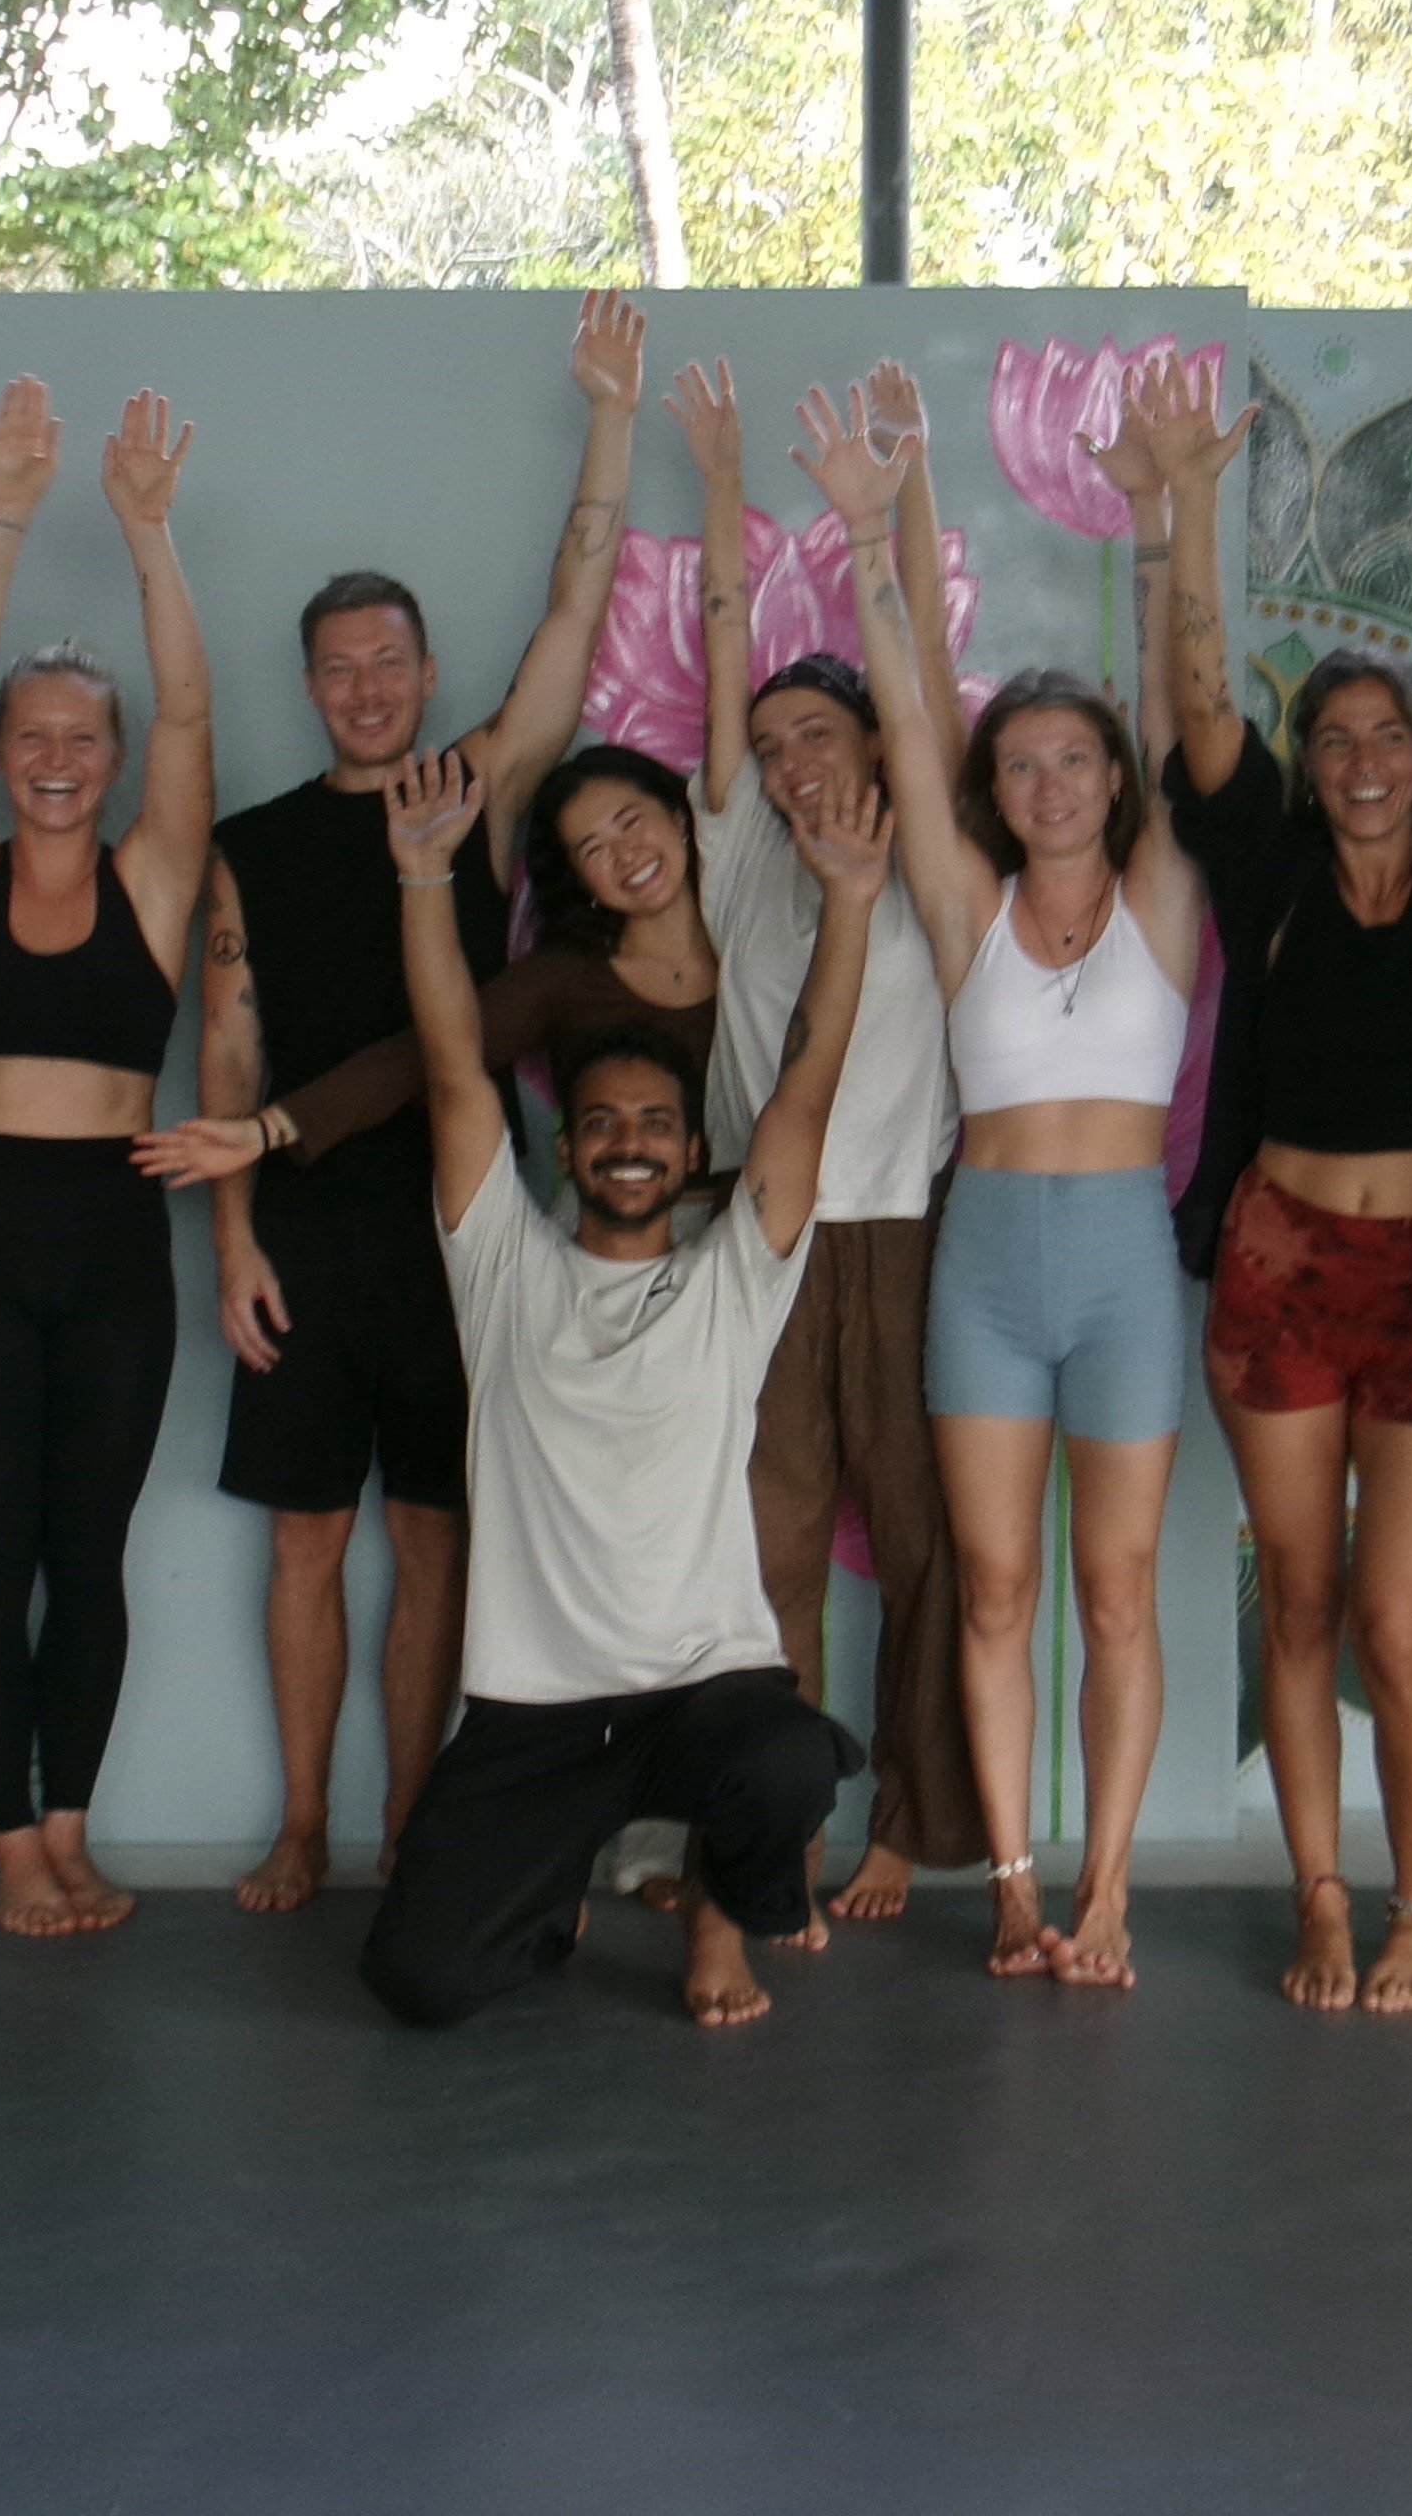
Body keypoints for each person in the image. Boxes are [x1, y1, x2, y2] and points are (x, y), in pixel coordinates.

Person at [190, 289, 647, 1912]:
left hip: (464, 1227)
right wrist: (233, 1237)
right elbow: (227, 1052)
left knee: (441, 1540)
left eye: (390, 659)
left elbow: (574, 616)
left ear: (427, 669)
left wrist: (610, 417)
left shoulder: (475, 790)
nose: (369, 685)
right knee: (305, 1539)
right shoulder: (252, 842)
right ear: (311, 686)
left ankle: (406, 1827)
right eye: (341, 668)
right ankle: (302, 1825)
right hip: (304, 1228)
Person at [1157, 340, 1412, 2016]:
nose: (1361, 757)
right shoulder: (1265, 869)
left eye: (1385, 730)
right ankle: (1320, 1901)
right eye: (1331, 737)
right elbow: (1200, 711)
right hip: (1281, 1275)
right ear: (1309, 760)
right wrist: (1192, 509)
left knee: (1401, 1622)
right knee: (1302, 1603)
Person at [356, 748, 891, 2032]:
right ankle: (546, 1900)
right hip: (534, 1713)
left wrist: (852, 902)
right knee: (418, 1982)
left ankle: (721, 1921)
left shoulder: (730, 1285)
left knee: (785, 1761)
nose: (629, 1143)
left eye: (654, 1124)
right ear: (568, 1148)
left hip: (702, 1693)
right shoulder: (504, 1271)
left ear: (691, 1149)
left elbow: (806, 1090)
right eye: (600, 1124)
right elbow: (452, 1071)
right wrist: (422, 877)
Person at [804, 362, 1203, 1990]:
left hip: (1119, 1263)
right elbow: (910, 722)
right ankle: (1019, 1892)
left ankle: (1107, 1894)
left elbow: (1177, 703)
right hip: (984, 1262)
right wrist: (866, 536)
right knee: (991, 1587)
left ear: (1114, 780)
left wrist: (1164, 521)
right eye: (1022, 764)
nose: (1048, 783)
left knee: (1116, 1593)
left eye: (1075, 761)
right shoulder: (965, 902)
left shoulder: (1163, 894)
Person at [669, 354, 989, 1926]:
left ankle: (907, 1832)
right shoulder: (739, 852)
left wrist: (904, 482)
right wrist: (725, 478)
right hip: (763, 1237)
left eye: (821, 734)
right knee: (770, 1542)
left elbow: (920, 655)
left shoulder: (933, 859)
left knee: (926, 1546)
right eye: (773, 741)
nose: (796, 760)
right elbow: (730, 632)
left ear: (874, 747)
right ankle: (771, 1835)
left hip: (908, 1234)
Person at [0, 375, 213, 1939]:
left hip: (115, 1234)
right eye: (31, 735)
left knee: (88, 1556)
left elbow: (196, 719)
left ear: (115, 758)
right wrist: (9, 514)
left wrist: (150, 536)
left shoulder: (154, 881)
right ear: (0, 757)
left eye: (83, 736)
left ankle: (73, 1830)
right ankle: (12, 1847)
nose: (53, 754)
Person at [145, 742, 718, 1205]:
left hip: (751, 1241)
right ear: (580, 880)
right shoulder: (564, 977)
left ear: (677, 815)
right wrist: (267, 1129)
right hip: (609, 1251)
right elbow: (423, 1056)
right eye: (593, 849)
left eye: (630, 822)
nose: (626, 854)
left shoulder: (752, 945)